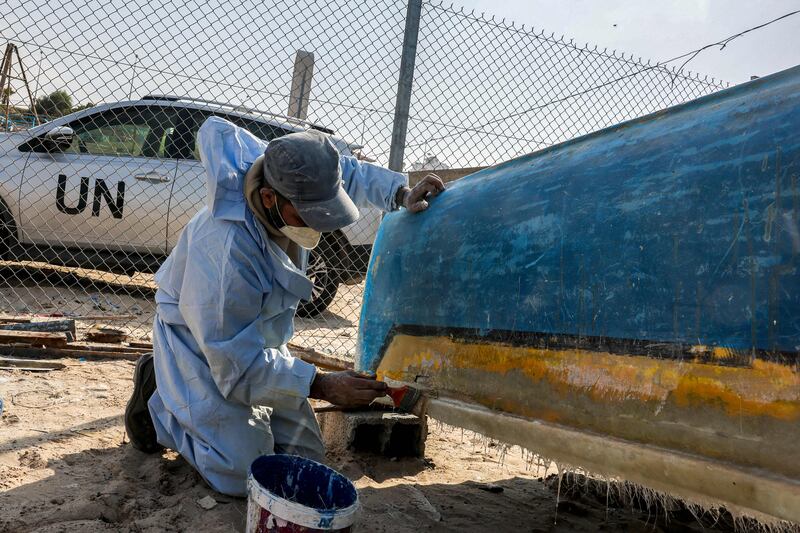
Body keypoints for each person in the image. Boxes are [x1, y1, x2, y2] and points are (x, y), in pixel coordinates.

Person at [124, 116, 444, 496]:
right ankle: (159, 399)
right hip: (201, 344)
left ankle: (193, 403)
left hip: (255, 343)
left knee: (304, 459)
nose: (319, 224)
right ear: (269, 198)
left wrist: (398, 193)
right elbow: (236, 367)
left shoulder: (292, 172)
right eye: (306, 214)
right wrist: (321, 385)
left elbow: (349, 174)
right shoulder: (228, 249)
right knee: (245, 472)